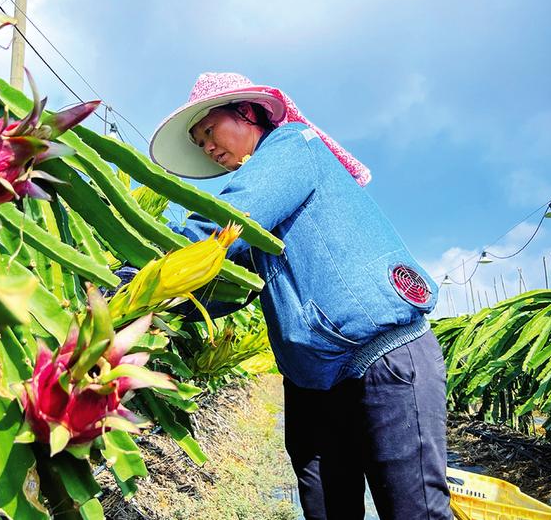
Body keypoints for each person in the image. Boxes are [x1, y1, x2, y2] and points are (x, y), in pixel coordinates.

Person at [149, 72, 452, 520]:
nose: (208, 148)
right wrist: (153, 306)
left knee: (414, 511)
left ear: (248, 113)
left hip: (385, 359)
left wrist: (141, 269)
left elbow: (228, 219)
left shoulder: (292, 145)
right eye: (199, 144)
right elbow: (228, 285)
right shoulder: (263, 220)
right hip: (314, 382)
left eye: (209, 132)